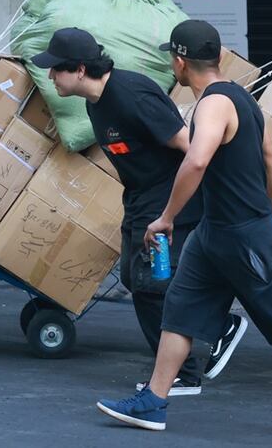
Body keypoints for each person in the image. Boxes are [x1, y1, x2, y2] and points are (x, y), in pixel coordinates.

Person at [96, 20, 272, 441]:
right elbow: (271, 157)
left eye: (172, 59)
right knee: (179, 309)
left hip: (241, 237)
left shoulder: (213, 105)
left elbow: (196, 162)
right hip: (213, 233)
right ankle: (154, 400)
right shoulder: (242, 96)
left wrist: (165, 217)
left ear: (180, 62)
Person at [31, 28, 247, 395]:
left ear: (80, 69)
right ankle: (218, 322)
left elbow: (189, 146)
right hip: (139, 198)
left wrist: (190, 205)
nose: (51, 76)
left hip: (167, 198)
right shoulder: (94, 103)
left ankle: (184, 372)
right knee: (134, 278)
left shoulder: (131, 95)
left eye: (56, 69)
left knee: (151, 285)